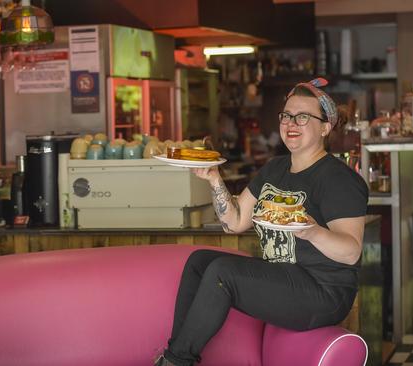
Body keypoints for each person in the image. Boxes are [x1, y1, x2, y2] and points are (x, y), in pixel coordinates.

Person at [154, 78, 369, 366]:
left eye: (303, 117)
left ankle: (175, 361)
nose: (292, 123)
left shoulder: (338, 179)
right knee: (199, 261)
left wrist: (312, 231)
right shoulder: (274, 168)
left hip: (323, 291)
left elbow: (351, 251)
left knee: (222, 272)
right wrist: (214, 179)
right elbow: (235, 222)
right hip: (285, 276)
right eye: (287, 115)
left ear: (325, 127)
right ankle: (177, 353)